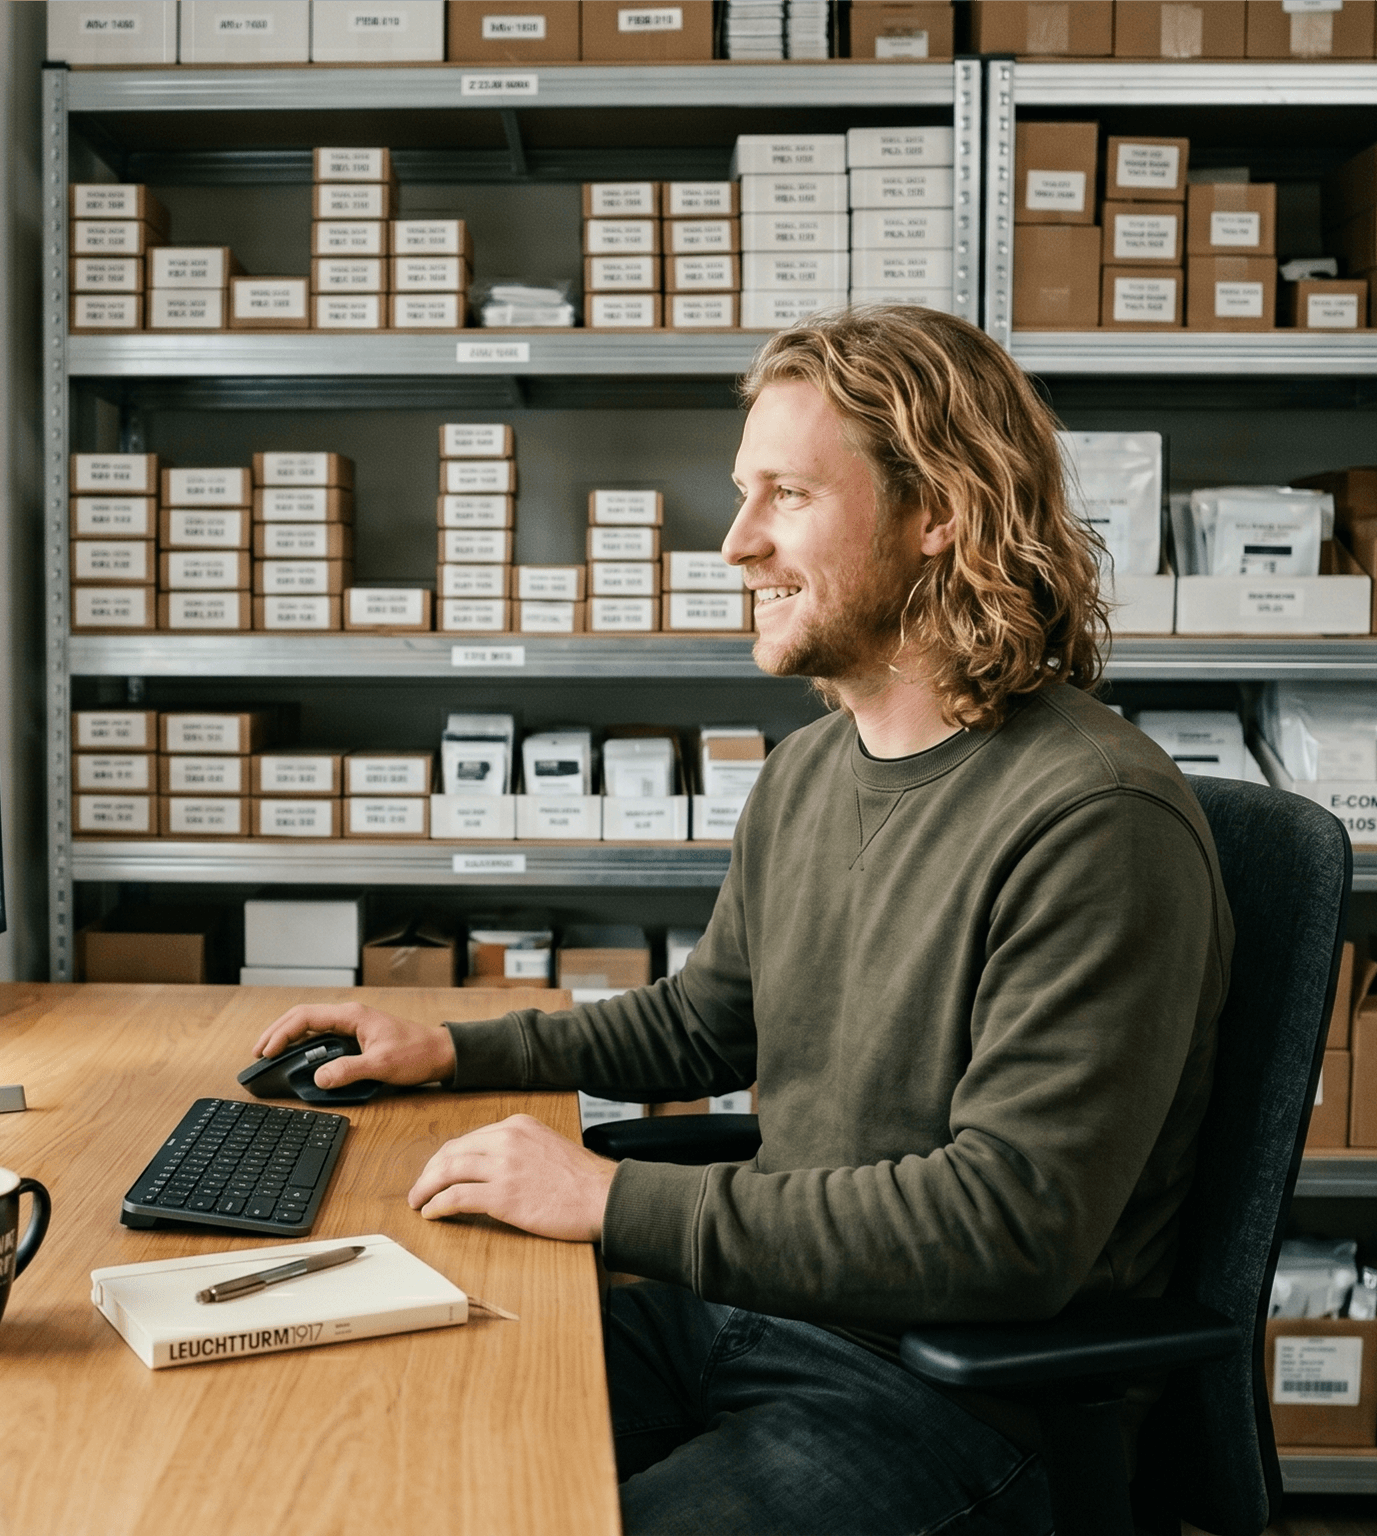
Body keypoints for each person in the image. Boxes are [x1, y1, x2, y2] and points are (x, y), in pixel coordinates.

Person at [254, 305, 1232, 1536]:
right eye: (741, 493)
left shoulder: (1097, 819)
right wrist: (452, 1048)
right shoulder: (812, 767)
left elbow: (1008, 1227)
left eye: (786, 495)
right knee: (366, 1433)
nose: (734, 542)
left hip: (942, 1393)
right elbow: (706, 1022)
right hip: (750, 1313)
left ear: (940, 511)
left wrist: (613, 1203)